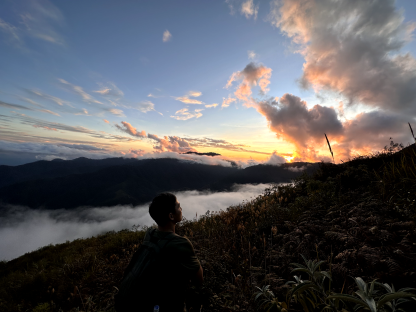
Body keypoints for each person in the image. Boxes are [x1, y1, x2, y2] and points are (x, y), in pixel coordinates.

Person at [117, 193, 203, 312]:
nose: (181, 209)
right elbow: (199, 279)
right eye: (178, 206)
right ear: (171, 216)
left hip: (129, 301)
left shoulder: (150, 234)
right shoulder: (180, 243)